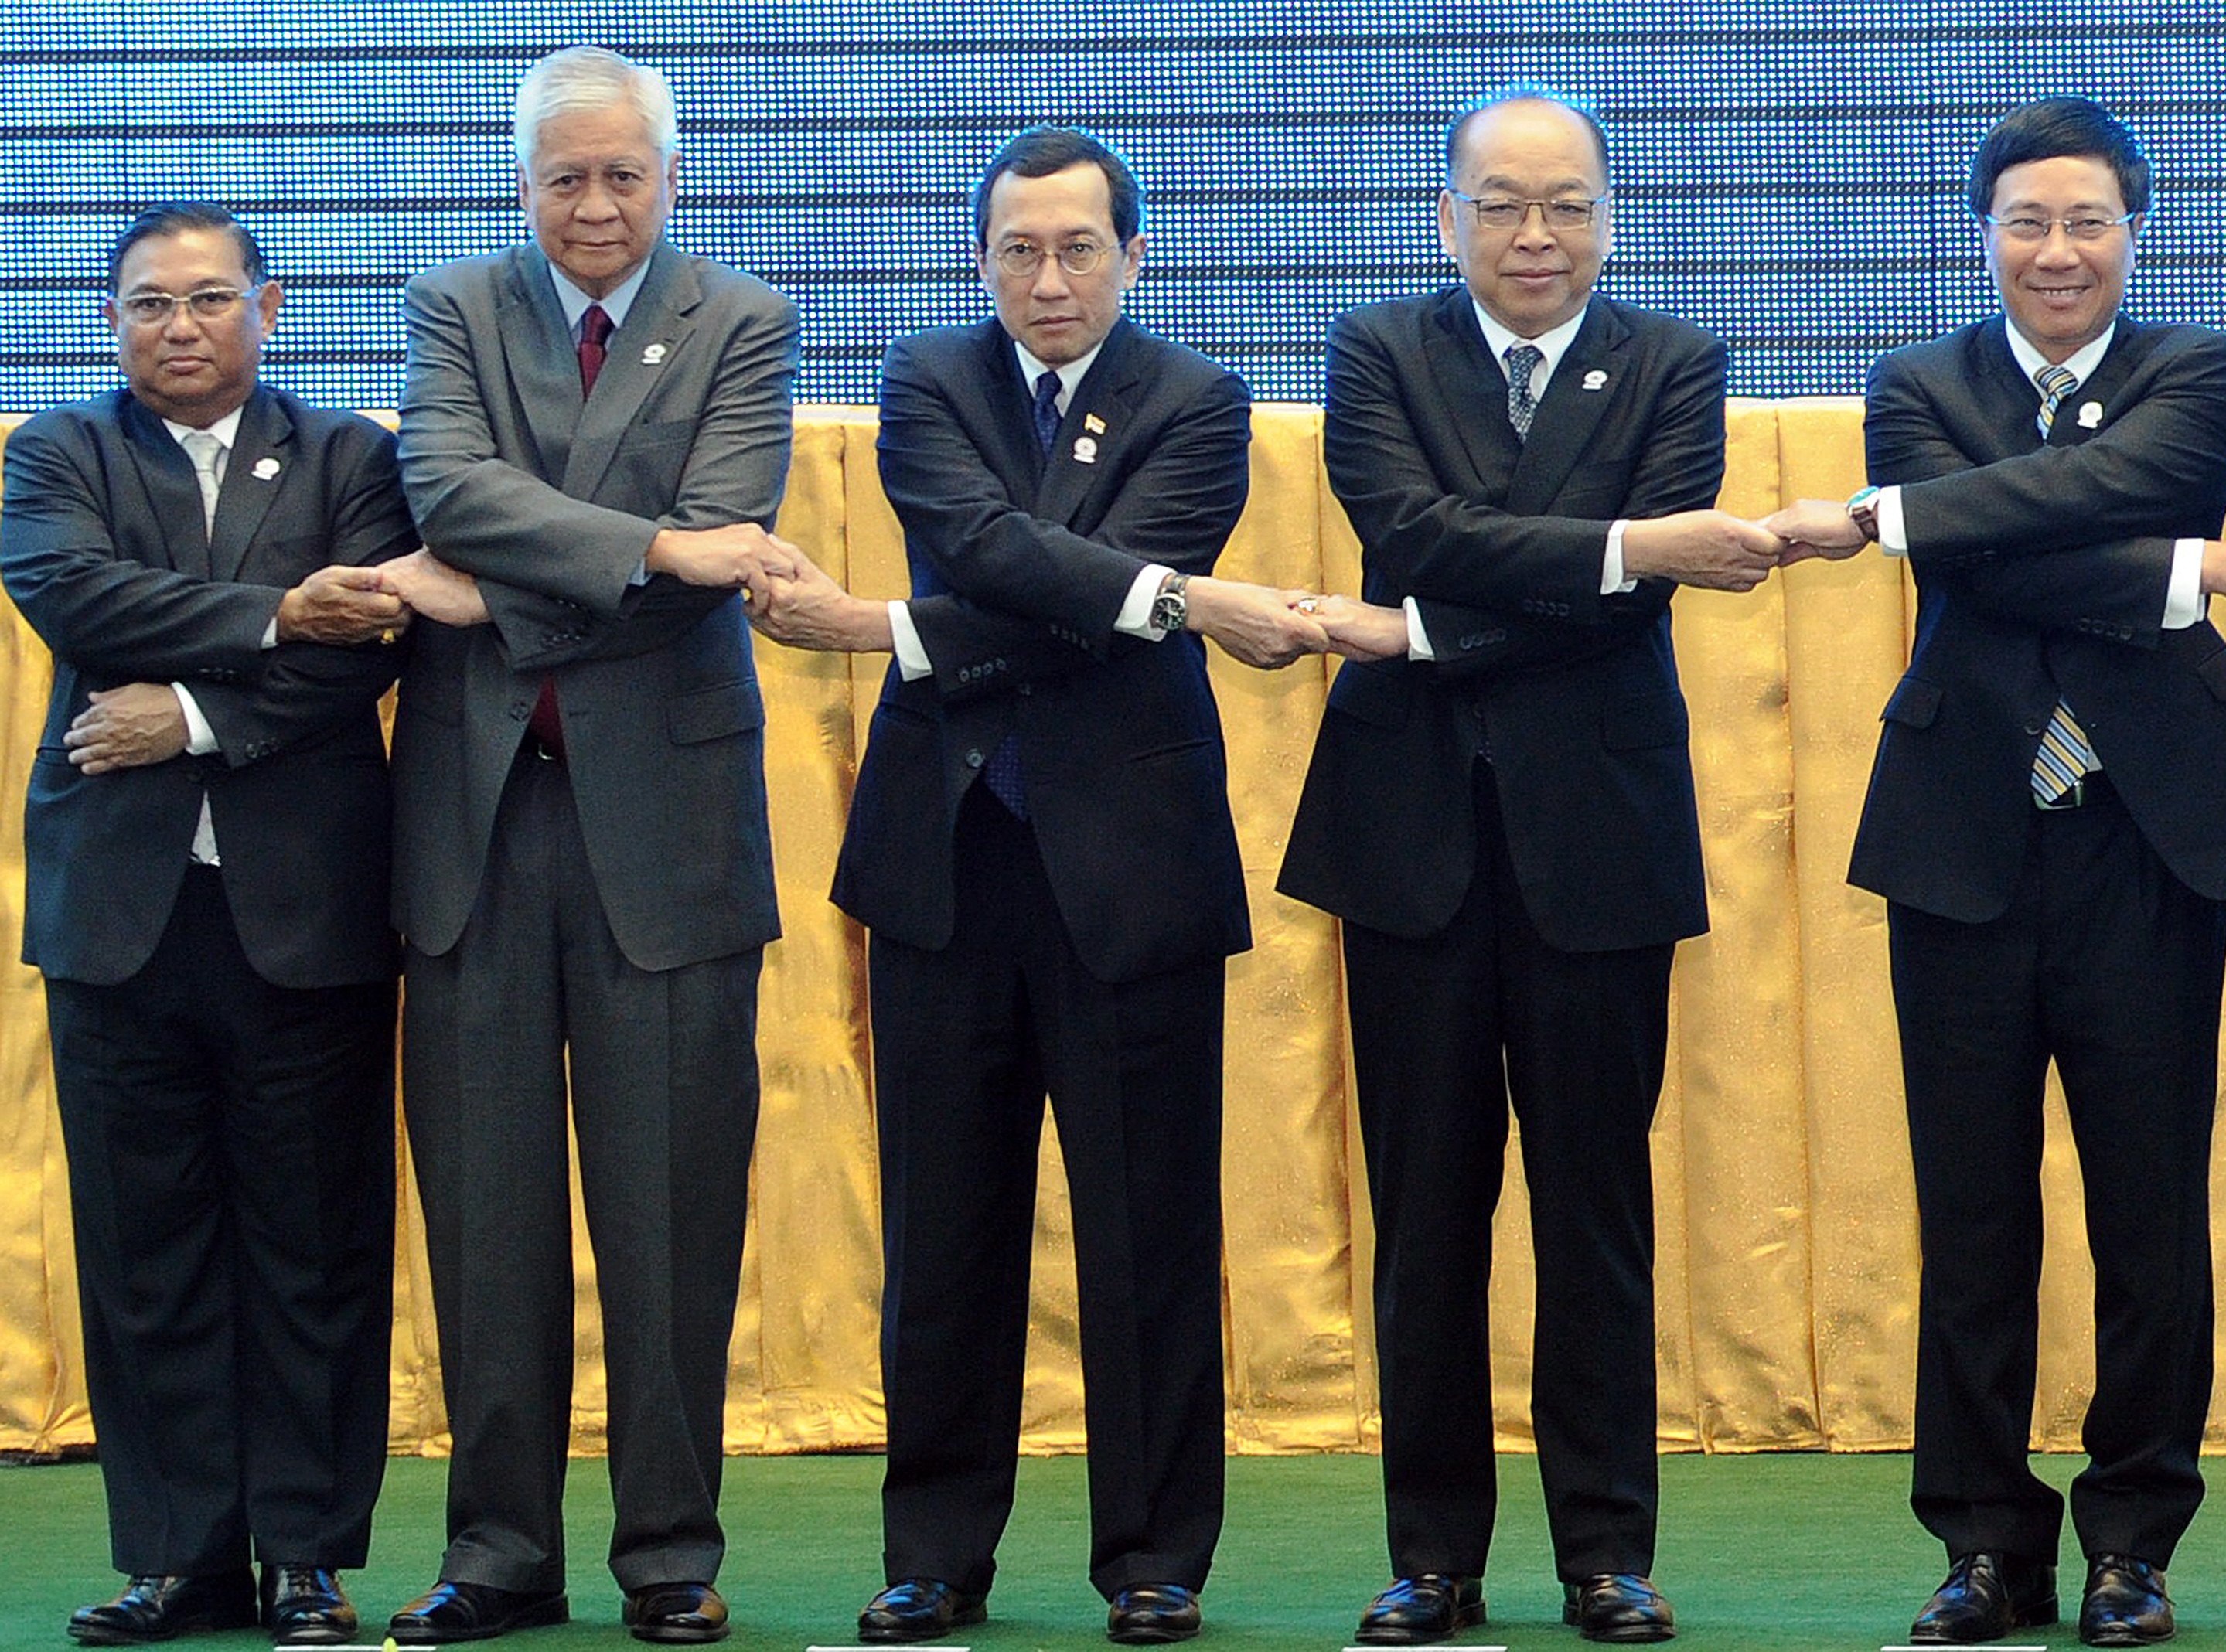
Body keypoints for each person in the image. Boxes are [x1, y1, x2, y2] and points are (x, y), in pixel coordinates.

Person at [750, 124, 1324, 1647]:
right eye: (1019, 249)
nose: (1048, 278)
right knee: (944, 1226)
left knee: (1146, 1225)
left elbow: (1062, 603)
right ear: (980, 256)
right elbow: (993, 550)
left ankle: (1152, 1558)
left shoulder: (1199, 401)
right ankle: (935, 1551)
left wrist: (894, 631)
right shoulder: (929, 382)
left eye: (1079, 249)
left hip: (1129, 867)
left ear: (1139, 256)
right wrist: (1168, 599)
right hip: (946, 861)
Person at [1277, 84, 1818, 1647]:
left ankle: (1605, 1555)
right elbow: (1409, 524)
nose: (1534, 233)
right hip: (1409, 840)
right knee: (1423, 1211)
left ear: (1603, 216)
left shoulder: (1672, 360)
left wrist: (1437, 619)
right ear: (1446, 219)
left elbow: (1601, 598)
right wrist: (1620, 543)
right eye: (1502, 204)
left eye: (1565, 204)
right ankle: (1431, 1558)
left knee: (1595, 1211)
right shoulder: (1380, 350)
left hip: (1599, 838)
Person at [1806, 97, 2226, 1647]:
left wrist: (1909, 517)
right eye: (2024, 221)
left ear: (2133, 232)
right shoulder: (1914, 383)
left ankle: (2131, 1543)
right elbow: (1987, 557)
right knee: (1970, 1213)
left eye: (2087, 220)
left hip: (2148, 836)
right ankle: (1981, 1545)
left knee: (2147, 1209)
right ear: (1982, 237)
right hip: (1962, 836)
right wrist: (2161, 574)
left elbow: (2090, 507)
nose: (2055, 250)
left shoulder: (2197, 369)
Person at [380, 44, 801, 1647]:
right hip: (474, 833)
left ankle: (669, 1557)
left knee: (673, 1211)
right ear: (523, 183)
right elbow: (444, 480)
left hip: (670, 836)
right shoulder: (453, 310)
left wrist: (482, 584)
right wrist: (645, 546)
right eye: (566, 176)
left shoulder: (743, 322)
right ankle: (497, 1554)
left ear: (670, 178)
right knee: (486, 1220)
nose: (596, 204)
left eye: (624, 174)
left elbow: (723, 542)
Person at [0, 201, 413, 1646]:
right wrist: (271, 618)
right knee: (143, 1244)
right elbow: (68, 591)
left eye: (211, 298)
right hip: (118, 916)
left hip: (307, 913)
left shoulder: (357, 455)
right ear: (111, 323)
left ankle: (306, 1551)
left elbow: (369, 640)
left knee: (315, 1239)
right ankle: (176, 1554)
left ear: (271, 307)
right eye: (148, 305)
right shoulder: (60, 450)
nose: (181, 326)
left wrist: (182, 709)